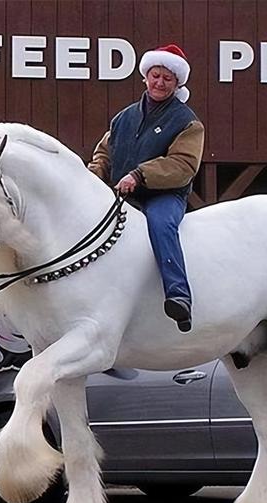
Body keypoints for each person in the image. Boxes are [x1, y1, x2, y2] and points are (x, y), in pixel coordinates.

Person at [88, 44, 205, 333]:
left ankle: (179, 294)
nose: (160, 82)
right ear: (145, 77)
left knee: (161, 224)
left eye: (167, 78)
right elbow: (104, 154)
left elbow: (183, 165)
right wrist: (91, 178)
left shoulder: (188, 122)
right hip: (121, 194)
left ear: (177, 83)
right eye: (155, 75)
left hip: (164, 196)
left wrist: (139, 175)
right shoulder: (123, 117)